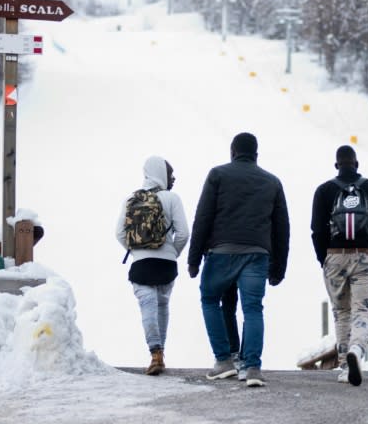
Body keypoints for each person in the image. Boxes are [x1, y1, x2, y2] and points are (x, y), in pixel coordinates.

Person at [188, 132, 290, 387]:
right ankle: (252, 368)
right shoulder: (272, 182)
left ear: (233, 152)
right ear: (256, 154)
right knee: (253, 308)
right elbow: (282, 228)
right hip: (257, 254)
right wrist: (279, 268)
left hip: (221, 252)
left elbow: (203, 217)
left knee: (210, 298)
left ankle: (224, 361)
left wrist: (193, 259)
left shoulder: (218, 174)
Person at [311, 145, 368, 386]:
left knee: (341, 311)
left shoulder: (323, 191)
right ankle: (357, 348)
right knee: (361, 310)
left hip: (334, 257)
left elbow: (317, 231)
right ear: (357, 164)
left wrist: (324, 259)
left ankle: (345, 365)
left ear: (337, 165)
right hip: (366, 256)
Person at [116, 156, 189, 375]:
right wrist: (171, 253)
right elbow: (184, 233)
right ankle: (161, 353)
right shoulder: (172, 198)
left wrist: (138, 250)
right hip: (166, 264)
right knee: (162, 305)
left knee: (147, 306)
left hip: (141, 264)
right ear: (161, 173)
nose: (173, 178)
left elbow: (119, 233)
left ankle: (155, 353)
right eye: (170, 173)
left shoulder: (131, 199)